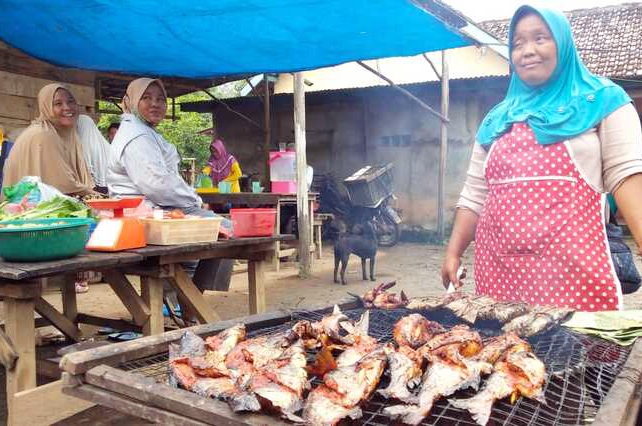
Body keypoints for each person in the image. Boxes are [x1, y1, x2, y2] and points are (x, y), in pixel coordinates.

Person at [441, 5, 642, 312]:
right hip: (500, 277)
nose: (527, 51)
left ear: (562, 44)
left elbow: (626, 175)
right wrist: (453, 253)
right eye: (517, 44)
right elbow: (474, 196)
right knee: (506, 355)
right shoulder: (497, 118)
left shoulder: (603, 101)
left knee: (578, 357)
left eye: (540, 38)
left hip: (575, 278)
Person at [107, 77, 232, 297]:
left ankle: (185, 300)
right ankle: (186, 302)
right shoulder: (136, 136)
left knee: (223, 231)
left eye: (160, 99)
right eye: (146, 98)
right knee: (228, 229)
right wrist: (193, 200)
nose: (155, 104)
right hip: (145, 215)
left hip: (157, 209)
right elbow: (158, 184)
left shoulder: (144, 131)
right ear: (130, 101)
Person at [2, 83, 95, 197]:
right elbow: (64, 183)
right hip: (31, 210)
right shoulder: (43, 134)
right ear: (46, 107)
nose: (67, 107)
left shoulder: (69, 135)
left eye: (71, 101)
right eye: (58, 104)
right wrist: (95, 195)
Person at [77, 115, 110, 193]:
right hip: (110, 183)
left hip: (96, 186)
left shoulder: (85, 143)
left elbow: (86, 167)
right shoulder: (103, 142)